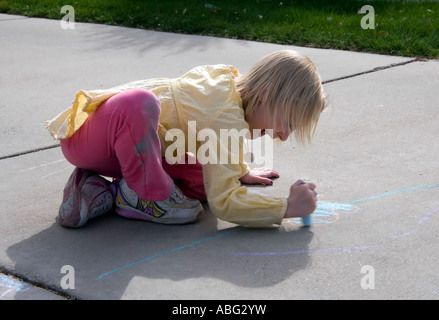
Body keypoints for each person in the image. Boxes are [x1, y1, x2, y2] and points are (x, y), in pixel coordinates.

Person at [46, 50, 328, 228]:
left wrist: (238, 170)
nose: (283, 135)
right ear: (265, 94)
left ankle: (100, 192)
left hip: (130, 149)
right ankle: (148, 195)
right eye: (287, 122)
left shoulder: (229, 87)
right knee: (140, 103)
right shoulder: (224, 113)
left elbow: (217, 139)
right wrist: (286, 208)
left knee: (203, 183)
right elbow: (225, 203)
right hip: (89, 138)